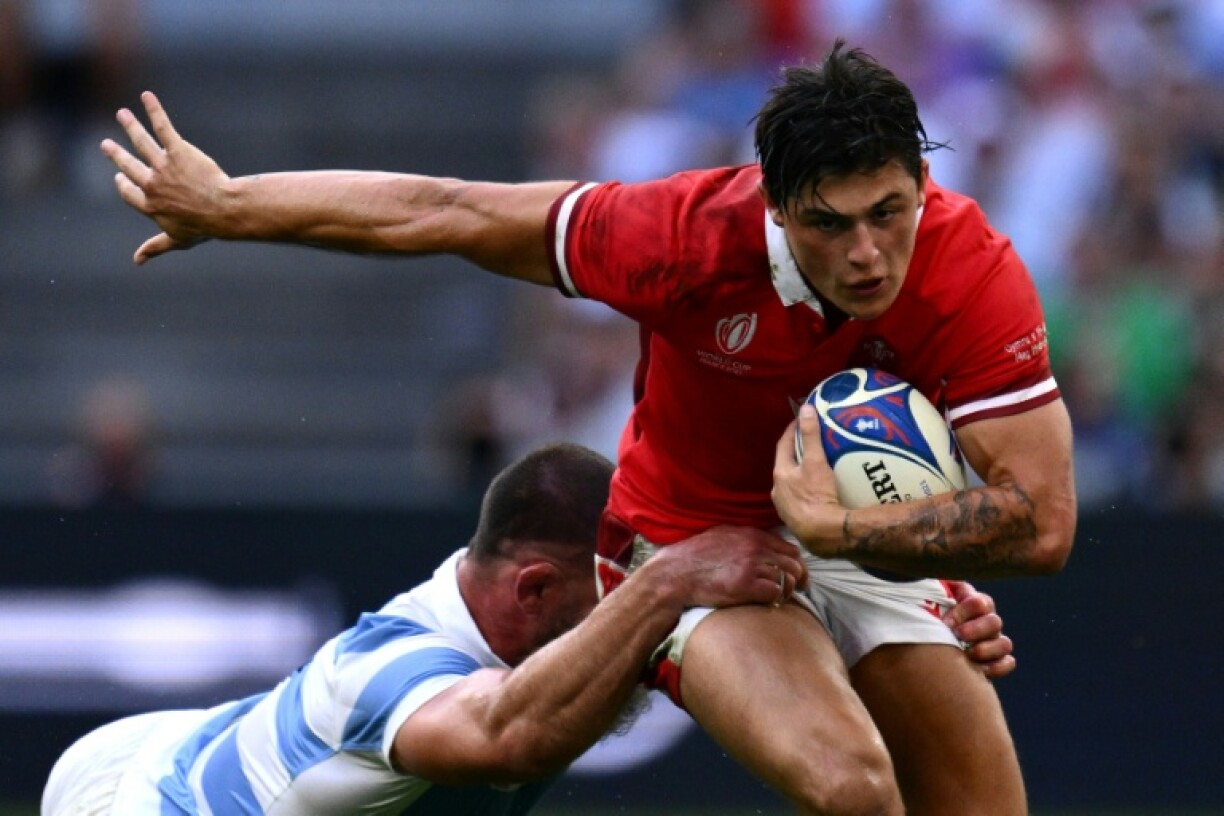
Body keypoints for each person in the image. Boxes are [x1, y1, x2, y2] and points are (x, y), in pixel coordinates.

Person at [100, 39, 1065, 815]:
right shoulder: (681, 237)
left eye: (890, 212)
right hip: (679, 548)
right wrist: (231, 206)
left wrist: (858, 540)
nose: (865, 254)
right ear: (774, 207)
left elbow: (1043, 524)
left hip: (841, 537)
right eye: (828, 223)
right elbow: (449, 211)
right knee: (853, 786)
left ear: (922, 181)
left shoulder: (970, 269)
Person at [42, 442, 814, 814]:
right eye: (615, 594)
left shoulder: (516, 615)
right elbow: (514, 734)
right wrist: (666, 584)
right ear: (536, 589)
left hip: (182, 746)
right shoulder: (402, 672)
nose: (632, 616)